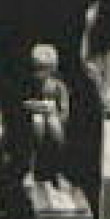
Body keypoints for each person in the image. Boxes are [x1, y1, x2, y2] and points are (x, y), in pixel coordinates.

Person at [13, 43, 71, 190]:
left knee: (53, 126)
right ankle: (30, 170)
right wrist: (34, 106)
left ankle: (58, 172)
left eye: (44, 69)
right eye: (37, 69)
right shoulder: (29, 84)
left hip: (54, 124)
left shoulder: (58, 87)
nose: (39, 74)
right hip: (32, 125)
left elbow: (64, 111)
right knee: (37, 122)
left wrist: (52, 112)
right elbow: (20, 104)